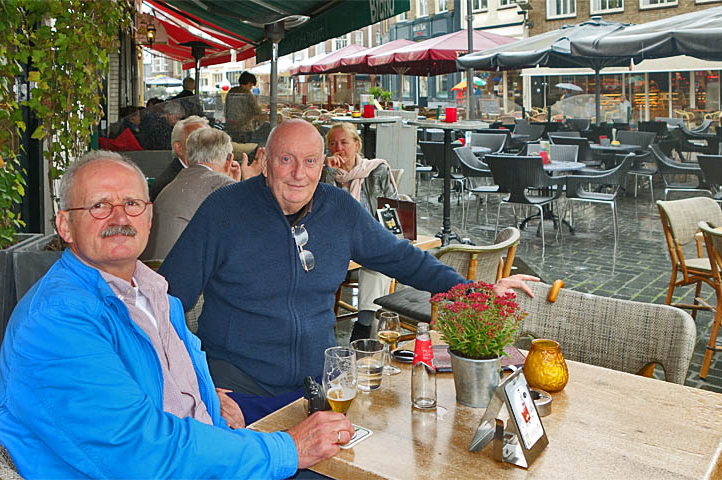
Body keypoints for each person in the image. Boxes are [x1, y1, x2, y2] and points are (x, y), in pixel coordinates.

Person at [0, 150, 353, 479]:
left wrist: (208, 397)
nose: (120, 217)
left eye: (132, 203)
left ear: (149, 217)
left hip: (197, 453)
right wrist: (288, 449)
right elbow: (141, 453)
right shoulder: (58, 321)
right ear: (64, 225)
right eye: (99, 206)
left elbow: (164, 390)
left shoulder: (148, 290)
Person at [159, 119, 537, 411]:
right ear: (266, 161)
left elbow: (404, 259)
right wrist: (194, 378)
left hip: (320, 385)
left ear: (323, 164)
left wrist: (474, 291)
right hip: (239, 387)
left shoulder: (338, 209)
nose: (298, 173)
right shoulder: (224, 210)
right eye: (286, 160)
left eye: (309, 161)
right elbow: (167, 300)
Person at [321, 122, 399, 341]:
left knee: (378, 263)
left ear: (357, 144)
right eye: (333, 143)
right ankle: (322, 326)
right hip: (335, 250)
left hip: (369, 244)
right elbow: (318, 210)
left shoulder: (376, 170)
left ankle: (363, 326)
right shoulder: (323, 173)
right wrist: (326, 172)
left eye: (344, 142)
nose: (339, 148)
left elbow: (391, 210)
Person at [143, 128, 265, 261]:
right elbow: (254, 230)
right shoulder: (221, 185)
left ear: (188, 159)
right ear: (229, 160)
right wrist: (251, 182)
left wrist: (236, 185)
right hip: (185, 272)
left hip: (158, 271)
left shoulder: (173, 183)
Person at [149, 115, 209, 202]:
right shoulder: (169, 184)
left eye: (208, 141)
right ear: (179, 148)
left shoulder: (205, 174)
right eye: (197, 141)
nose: (207, 147)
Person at [224, 71, 263, 143]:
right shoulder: (247, 93)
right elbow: (256, 109)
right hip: (244, 127)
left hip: (231, 127)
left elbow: (226, 108)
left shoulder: (231, 91)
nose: (251, 87)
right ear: (249, 83)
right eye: (251, 85)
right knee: (245, 149)